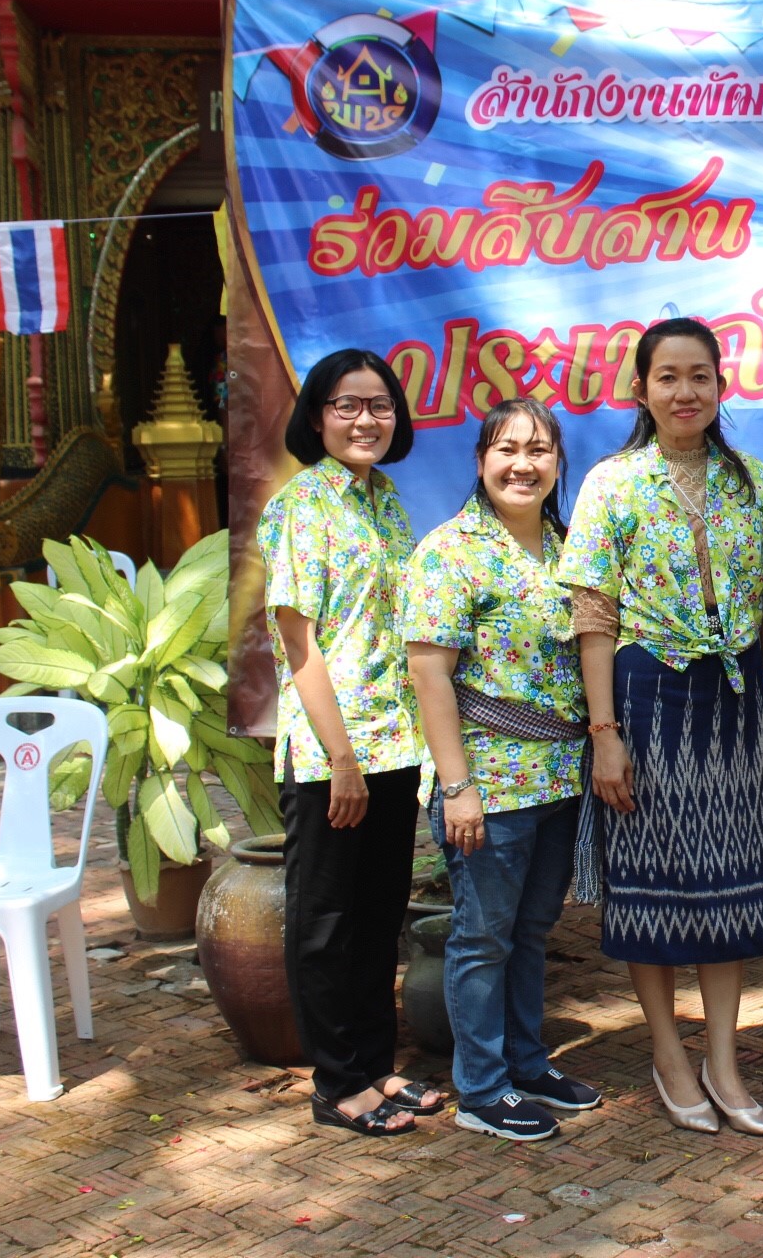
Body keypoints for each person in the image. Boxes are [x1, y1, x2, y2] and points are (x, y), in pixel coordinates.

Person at [556, 317, 763, 1137]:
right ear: (641, 388)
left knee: (729, 882)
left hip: (731, 701)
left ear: (721, 385)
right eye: (668, 377)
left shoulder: (751, 481)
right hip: (645, 695)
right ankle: (667, 1053)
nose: (685, 392)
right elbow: (593, 614)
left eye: (700, 376)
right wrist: (605, 732)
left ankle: (723, 1059)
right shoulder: (611, 483)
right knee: (651, 884)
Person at [403, 398, 603, 1143]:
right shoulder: (449, 552)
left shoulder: (568, 548)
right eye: (508, 449)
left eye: (540, 450)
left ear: (558, 463)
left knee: (530, 930)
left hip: (559, 777)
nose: (524, 464)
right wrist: (458, 789)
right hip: (488, 782)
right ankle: (481, 1088)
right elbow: (431, 678)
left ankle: (526, 1061)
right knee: (482, 936)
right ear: (481, 459)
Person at [258, 348, 444, 1137]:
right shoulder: (303, 506)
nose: (365, 420)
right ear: (316, 416)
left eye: (379, 405)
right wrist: (340, 759)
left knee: (376, 918)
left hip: (395, 742)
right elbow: (299, 645)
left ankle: (374, 1065)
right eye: (346, 405)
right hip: (333, 752)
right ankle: (336, 1083)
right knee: (326, 921)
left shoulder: (385, 501)